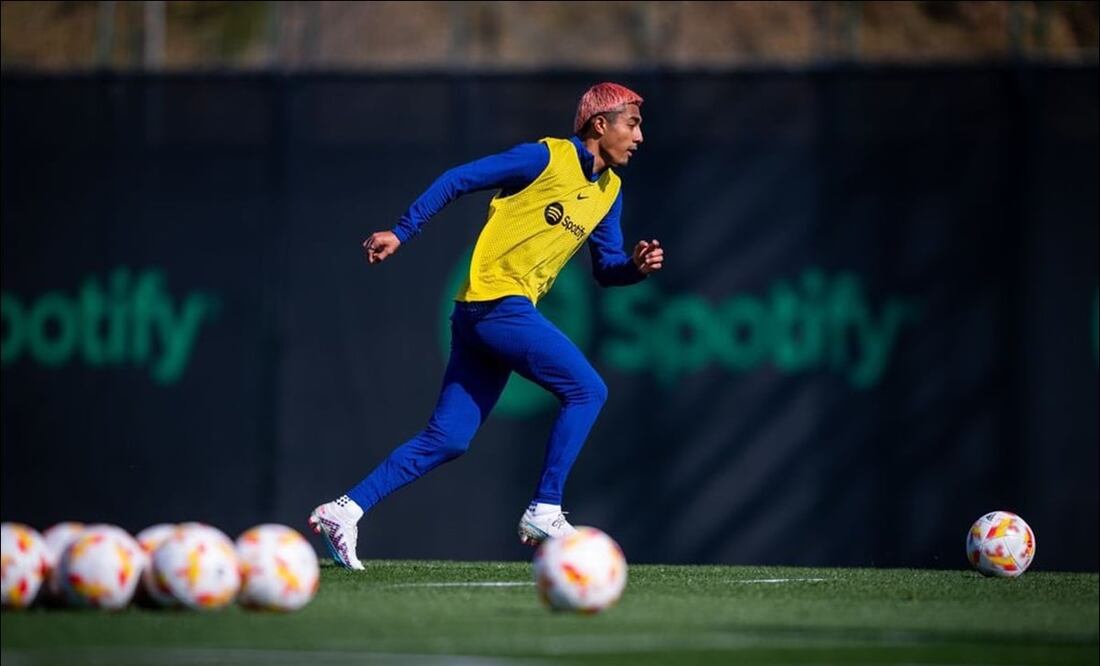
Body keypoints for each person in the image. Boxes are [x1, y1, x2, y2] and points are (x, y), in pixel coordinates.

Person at [309, 82, 664, 570]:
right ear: (600, 126)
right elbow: (458, 178)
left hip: (484, 317)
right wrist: (402, 230)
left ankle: (342, 511)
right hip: (497, 304)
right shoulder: (544, 158)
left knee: (448, 439)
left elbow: (606, 269)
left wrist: (635, 269)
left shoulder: (610, 193)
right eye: (633, 123)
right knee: (587, 391)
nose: (640, 136)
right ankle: (545, 507)